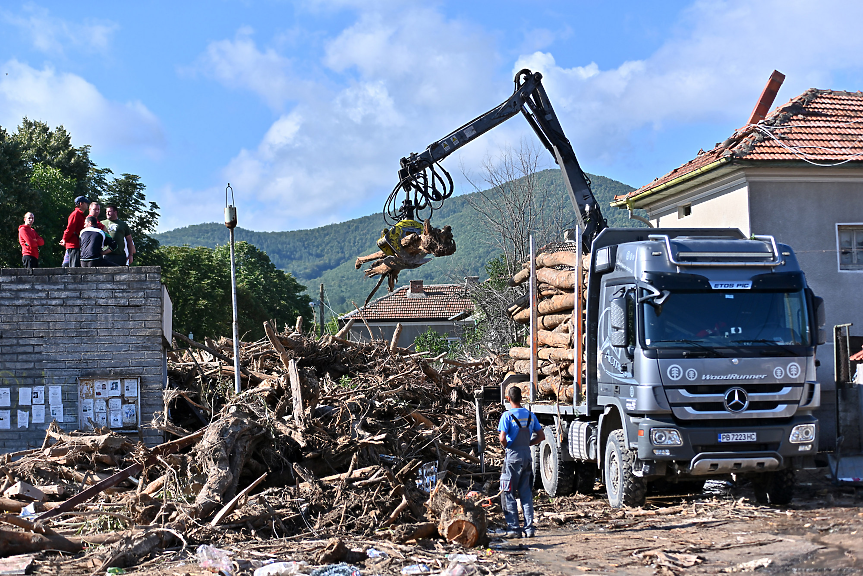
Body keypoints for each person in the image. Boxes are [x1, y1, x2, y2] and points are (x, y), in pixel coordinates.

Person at [498, 384, 544, 538]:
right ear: (521, 398)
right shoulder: (531, 415)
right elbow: (541, 436)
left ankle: (514, 528)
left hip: (512, 457)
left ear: (508, 398)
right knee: (525, 493)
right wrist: (528, 444)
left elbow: (502, 438)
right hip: (527, 456)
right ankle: (529, 528)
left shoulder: (507, 416)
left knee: (508, 492)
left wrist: (507, 446)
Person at [60, 196, 90, 267]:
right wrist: (64, 239)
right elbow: (70, 229)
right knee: (74, 269)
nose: (87, 205)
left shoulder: (81, 215)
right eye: (86, 203)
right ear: (81, 204)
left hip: (77, 245)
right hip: (73, 245)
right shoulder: (75, 214)